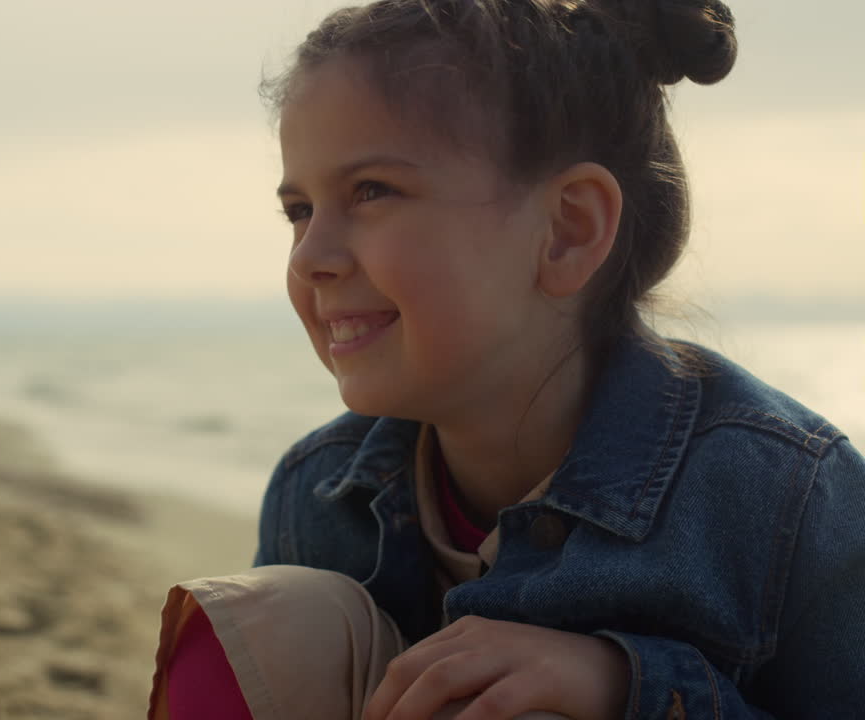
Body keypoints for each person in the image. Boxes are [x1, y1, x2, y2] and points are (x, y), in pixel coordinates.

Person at [148, 1, 865, 718]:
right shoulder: (316, 491)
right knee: (272, 621)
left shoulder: (788, 499)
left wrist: (626, 689)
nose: (309, 257)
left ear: (567, 230)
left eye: (371, 192)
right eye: (299, 210)